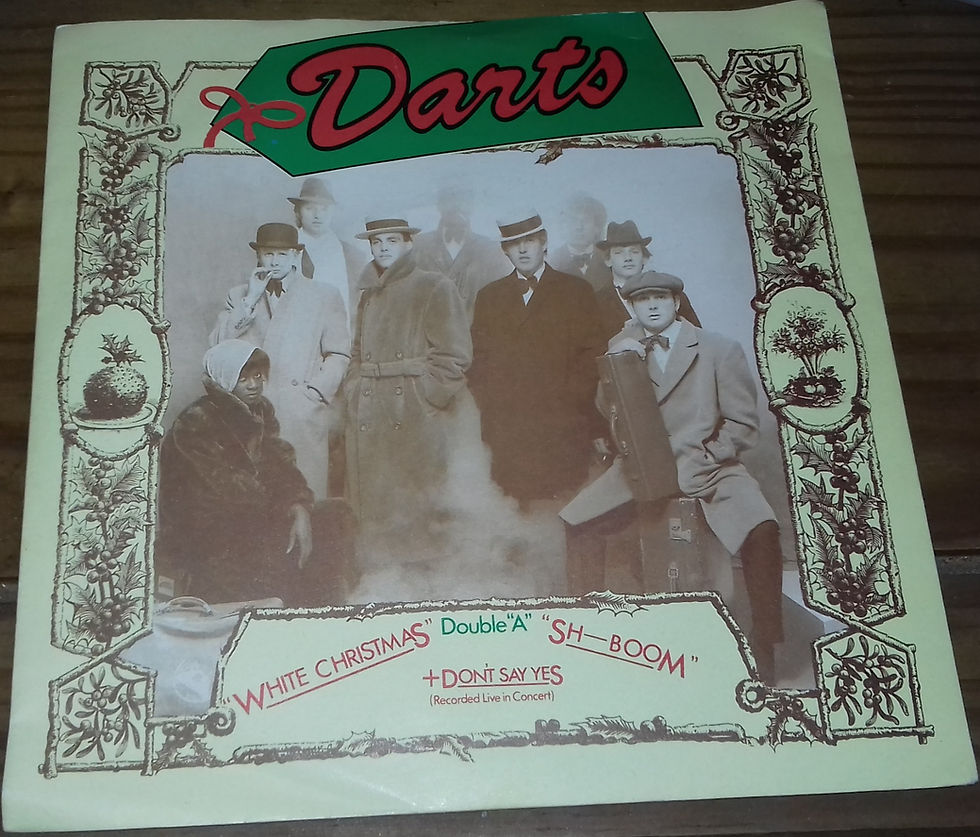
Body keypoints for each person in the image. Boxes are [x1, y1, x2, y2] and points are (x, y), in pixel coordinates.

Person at [601, 270, 784, 681]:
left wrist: (708, 456)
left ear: (676, 302)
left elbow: (743, 425)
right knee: (580, 523)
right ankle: (596, 639)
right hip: (642, 473)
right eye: (642, 299)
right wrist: (619, 361)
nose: (652, 305)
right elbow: (608, 415)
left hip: (711, 470)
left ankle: (764, 647)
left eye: (660, 297)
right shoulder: (621, 349)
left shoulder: (719, 348)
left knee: (763, 530)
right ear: (631, 307)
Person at [345, 216, 474, 572]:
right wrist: (355, 387)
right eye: (376, 242)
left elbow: (455, 355)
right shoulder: (368, 293)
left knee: (416, 514)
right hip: (370, 410)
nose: (382, 248)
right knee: (376, 516)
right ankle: (381, 583)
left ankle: (422, 588)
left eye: (391, 240)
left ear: (408, 243)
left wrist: (425, 396)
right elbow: (357, 352)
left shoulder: (434, 285)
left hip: (414, 416)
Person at [156, 340, 314, 604]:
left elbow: (281, 465)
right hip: (204, 536)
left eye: (258, 376)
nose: (254, 385)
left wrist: (298, 505)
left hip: (251, 519)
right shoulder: (196, 422)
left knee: (330, 525)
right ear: (225, 378)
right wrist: (279, 510)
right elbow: (225, 491)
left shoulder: (259, 412)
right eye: (243, 378)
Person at [469, 209, 604, 509]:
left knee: (566, 508)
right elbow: (479, 362)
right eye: (514, 244)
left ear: (544, 242)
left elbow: (592, 358)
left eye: (529, 241)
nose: (522, 249)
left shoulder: (577, 292)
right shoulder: (489, 297)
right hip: (509, 429)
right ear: (505, 251)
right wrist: (495, 404)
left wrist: (567, 403)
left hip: (563, 426)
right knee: (514, 513)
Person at [210, 222, 350, 500]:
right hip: (250, 413)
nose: (274, 262)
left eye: (282, 254)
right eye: (268, 254)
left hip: (299, 412)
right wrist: (251, 298)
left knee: (304, 495)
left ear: (296, 255)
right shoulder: (239, 295)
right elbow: (217, 347)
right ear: (258, 256)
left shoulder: (324, 295)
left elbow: (339, 354)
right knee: (256, 497)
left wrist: (314, 393)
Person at [412, 184, 512, 322]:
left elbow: (503, 303)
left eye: (463, 199)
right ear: (439, 205)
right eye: (449, 199)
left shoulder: (491, 251)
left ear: (472, 206)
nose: (456, 206)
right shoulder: (417, 246)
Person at [595, 219, 701, 341]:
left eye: (634, 252)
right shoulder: (595, 302)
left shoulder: (672, 295)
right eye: (619, 253)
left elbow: (698, 339)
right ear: (608, 260)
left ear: (645, 258)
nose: (628, 258)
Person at [288, 177, 366, 322]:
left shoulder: (352, 256)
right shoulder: (282, 251)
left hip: (340, 330)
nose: (317, 215)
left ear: (333, 212)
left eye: (324, 209)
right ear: (298, 211)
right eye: (309, 208)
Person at [551, 193, 610, 292]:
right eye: (573, 220)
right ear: (563, 226)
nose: (579, 227)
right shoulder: (552, 262)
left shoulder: (609, 260)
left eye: (585, 221)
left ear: (597, 227)